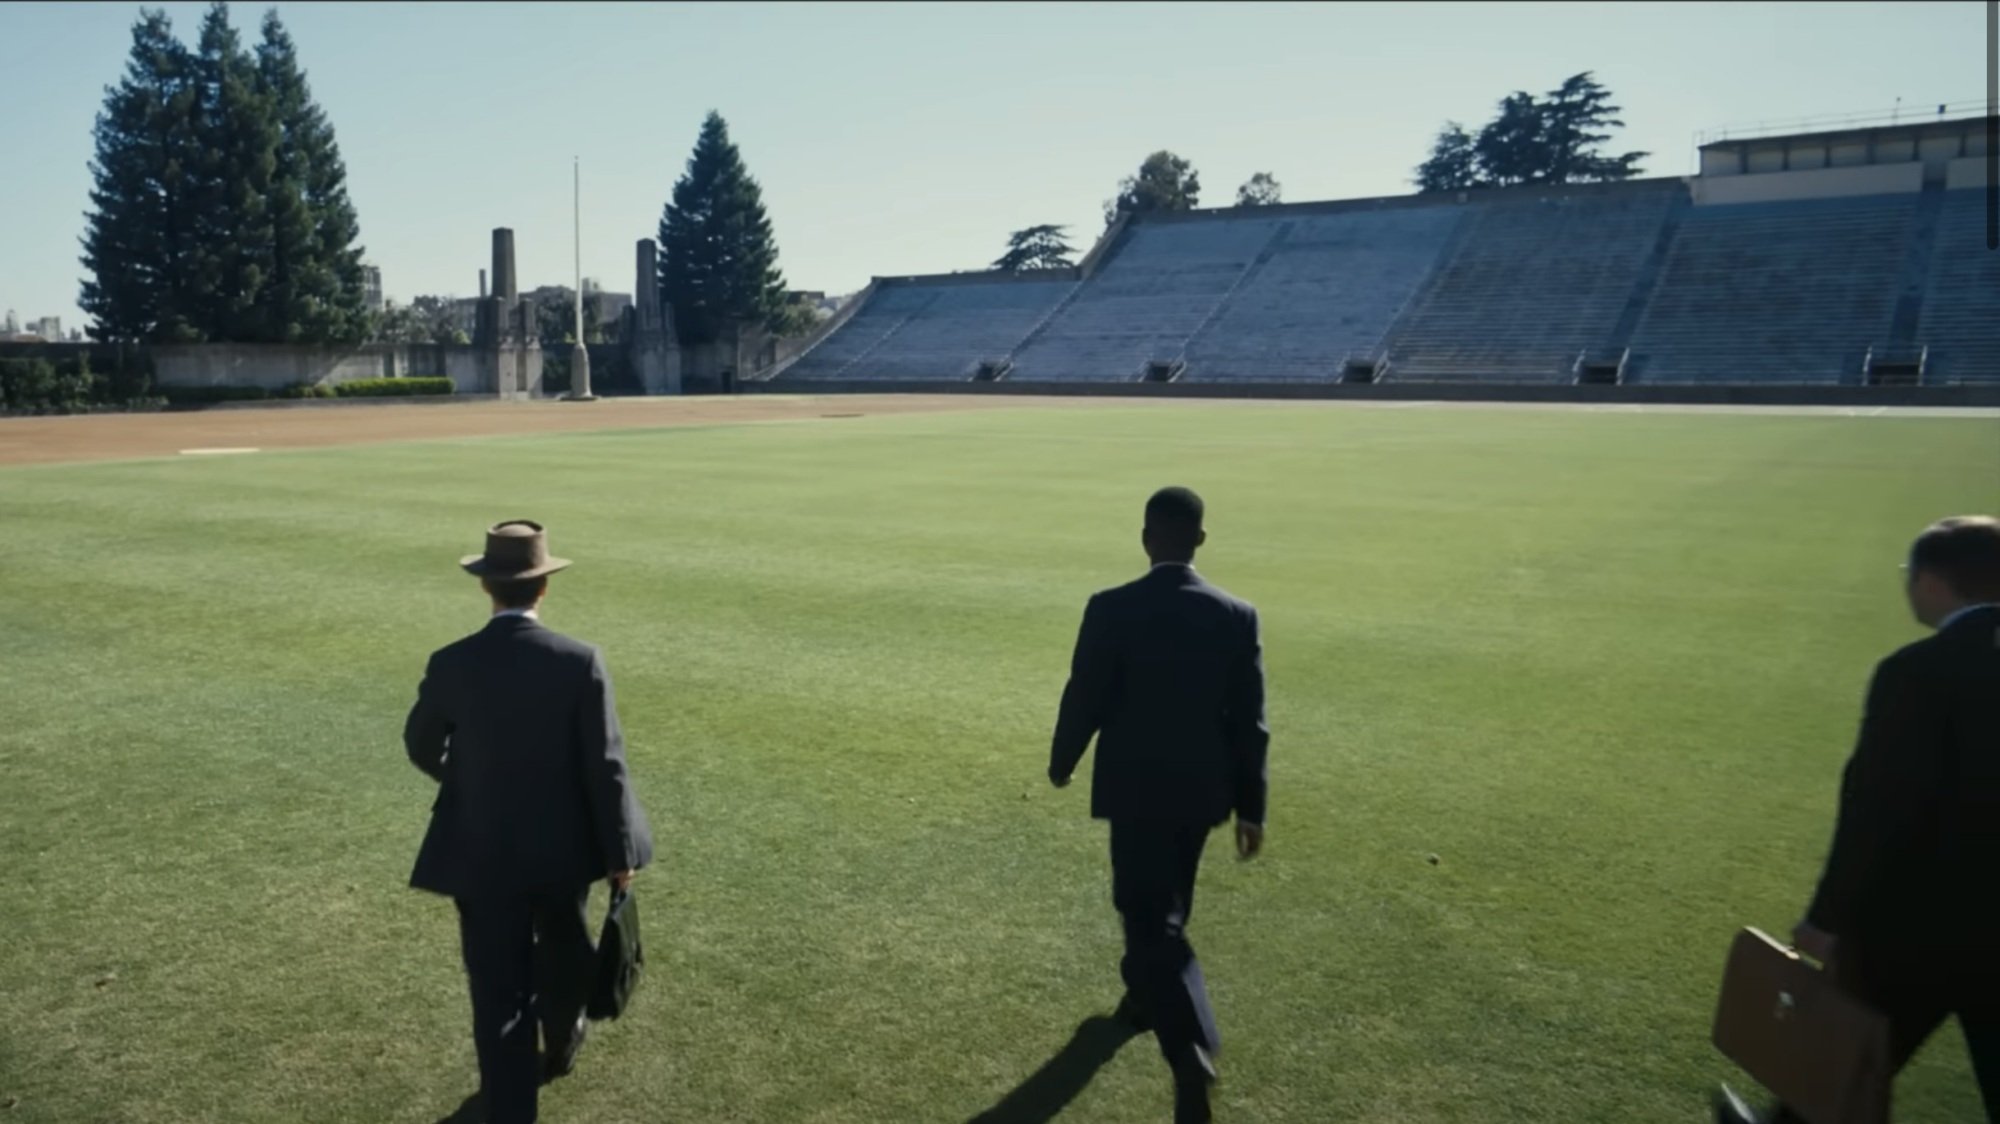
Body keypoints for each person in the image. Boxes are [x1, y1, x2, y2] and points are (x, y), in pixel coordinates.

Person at [1716, 515, 2000, 1124]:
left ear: (1929, 581)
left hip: (1921, 922)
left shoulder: (1919, 672)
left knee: (1840, 1064)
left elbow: (1877, 808)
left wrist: (1826, 918)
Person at [405, 520, 654, 1124]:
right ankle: (563, 1037)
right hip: (562, 852)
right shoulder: (579, 661)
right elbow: (606, 766)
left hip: (480, 849)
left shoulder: (452, 662)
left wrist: (467, 783)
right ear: (543, 588)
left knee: (495, 984)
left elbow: (420, 744)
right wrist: (621, 853)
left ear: (486, 588)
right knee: (567, 951)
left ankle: (510, 1107)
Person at [1047, 486, 1270, 1124]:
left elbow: (1083, 694)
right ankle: (1143, 1000)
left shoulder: (1111, 608)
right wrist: (1252, 808)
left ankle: (1190, 1047)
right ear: (1199, 540)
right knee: (1166, 903)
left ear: (1146, 538)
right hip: (1203, 794)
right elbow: (1249, 723)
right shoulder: (1236, 614)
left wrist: (1062, 762)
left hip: (1134, 788)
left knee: (1149, 917)